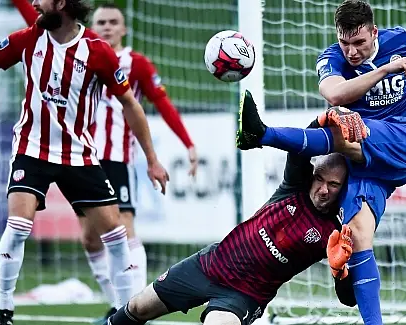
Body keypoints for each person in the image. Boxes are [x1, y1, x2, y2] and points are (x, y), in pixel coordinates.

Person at [236, 1, 406, 324]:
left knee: (347, 131)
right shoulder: (332, 58)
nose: (352, 51)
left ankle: (262, 135)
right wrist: (385, 70)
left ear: (374, 33)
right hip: (367, 166)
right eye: (345, 42)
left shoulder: (402, 40)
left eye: (359, 42)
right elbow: (334, 94)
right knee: (358, 233)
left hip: (402, 143)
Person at [0, 0, 170, 324]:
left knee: (115, 233)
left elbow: (131, 105)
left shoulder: (97, 52)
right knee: (18, 226)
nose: (35, 4)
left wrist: (152, 160)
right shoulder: (28, 38)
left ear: (62, 4)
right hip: (32, 148)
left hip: (79, 155)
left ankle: (127, 313)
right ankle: (4, 311)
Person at [107, 120, 356, 325]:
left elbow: (349, 300)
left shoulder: (336, 231)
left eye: (333, 185)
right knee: (138, 307)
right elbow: (299, 148)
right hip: (209, 265)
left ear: (343, 188)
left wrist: (339, 272)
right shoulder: (295, 187)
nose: (323, 189)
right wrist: (321, 121)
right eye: (320, 179)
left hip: (245, 295)